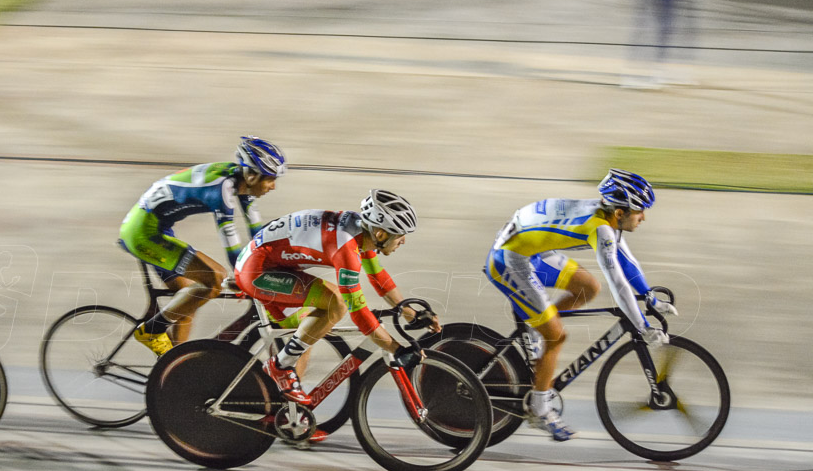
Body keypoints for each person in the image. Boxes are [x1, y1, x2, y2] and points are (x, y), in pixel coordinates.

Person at [484, 169, 677, 441]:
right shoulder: (600, 228)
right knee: (557, 336)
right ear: (620, 213)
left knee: (588, 287)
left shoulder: (606, 216)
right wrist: (643, 326)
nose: (644, 216)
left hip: (528, 250)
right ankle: (539, 410)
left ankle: (540, 326)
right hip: (508, 260)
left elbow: (627, 262)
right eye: (640, 210)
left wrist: (649, 296)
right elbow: (619, 284)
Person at [234, 189, 441, 415]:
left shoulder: (361, 232)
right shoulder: (346, 249)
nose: (403, 241)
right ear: (381, 234)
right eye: (399, 234)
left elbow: (378, 278)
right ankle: (280, 366)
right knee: (336, 304)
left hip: (272, 264)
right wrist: (396, 349)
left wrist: (411, 314)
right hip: (258, 272)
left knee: (309, 330)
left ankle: (289, 415)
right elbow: (357, 311)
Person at [119, 136, 286, 356]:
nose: (273, 186)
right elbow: (231, 244)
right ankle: (151, 331)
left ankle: (175, 368)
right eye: (270, 179)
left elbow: (257, 231)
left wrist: (278, 259)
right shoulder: (222, 190)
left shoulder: (241, 179)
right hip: (143, 233)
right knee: (214, 278)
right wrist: (246, 275)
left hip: (155, 226)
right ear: (252, 175)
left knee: (189, 297)